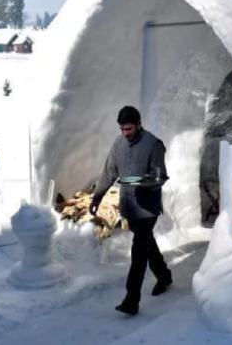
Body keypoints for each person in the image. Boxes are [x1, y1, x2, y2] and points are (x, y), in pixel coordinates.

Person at [89, 106, 172, 316]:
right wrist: (97, 197)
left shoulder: (154, 145)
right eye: (122, 129)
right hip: (128, 206)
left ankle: (131, 299)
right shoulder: (118, 144)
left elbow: (159, 177)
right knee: (146, 244)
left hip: (147, 207)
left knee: (138, 252)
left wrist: (139, 181)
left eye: (129, 129)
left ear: (138, 124)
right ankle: (164, 275)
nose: (125, 133)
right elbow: (109, 173)